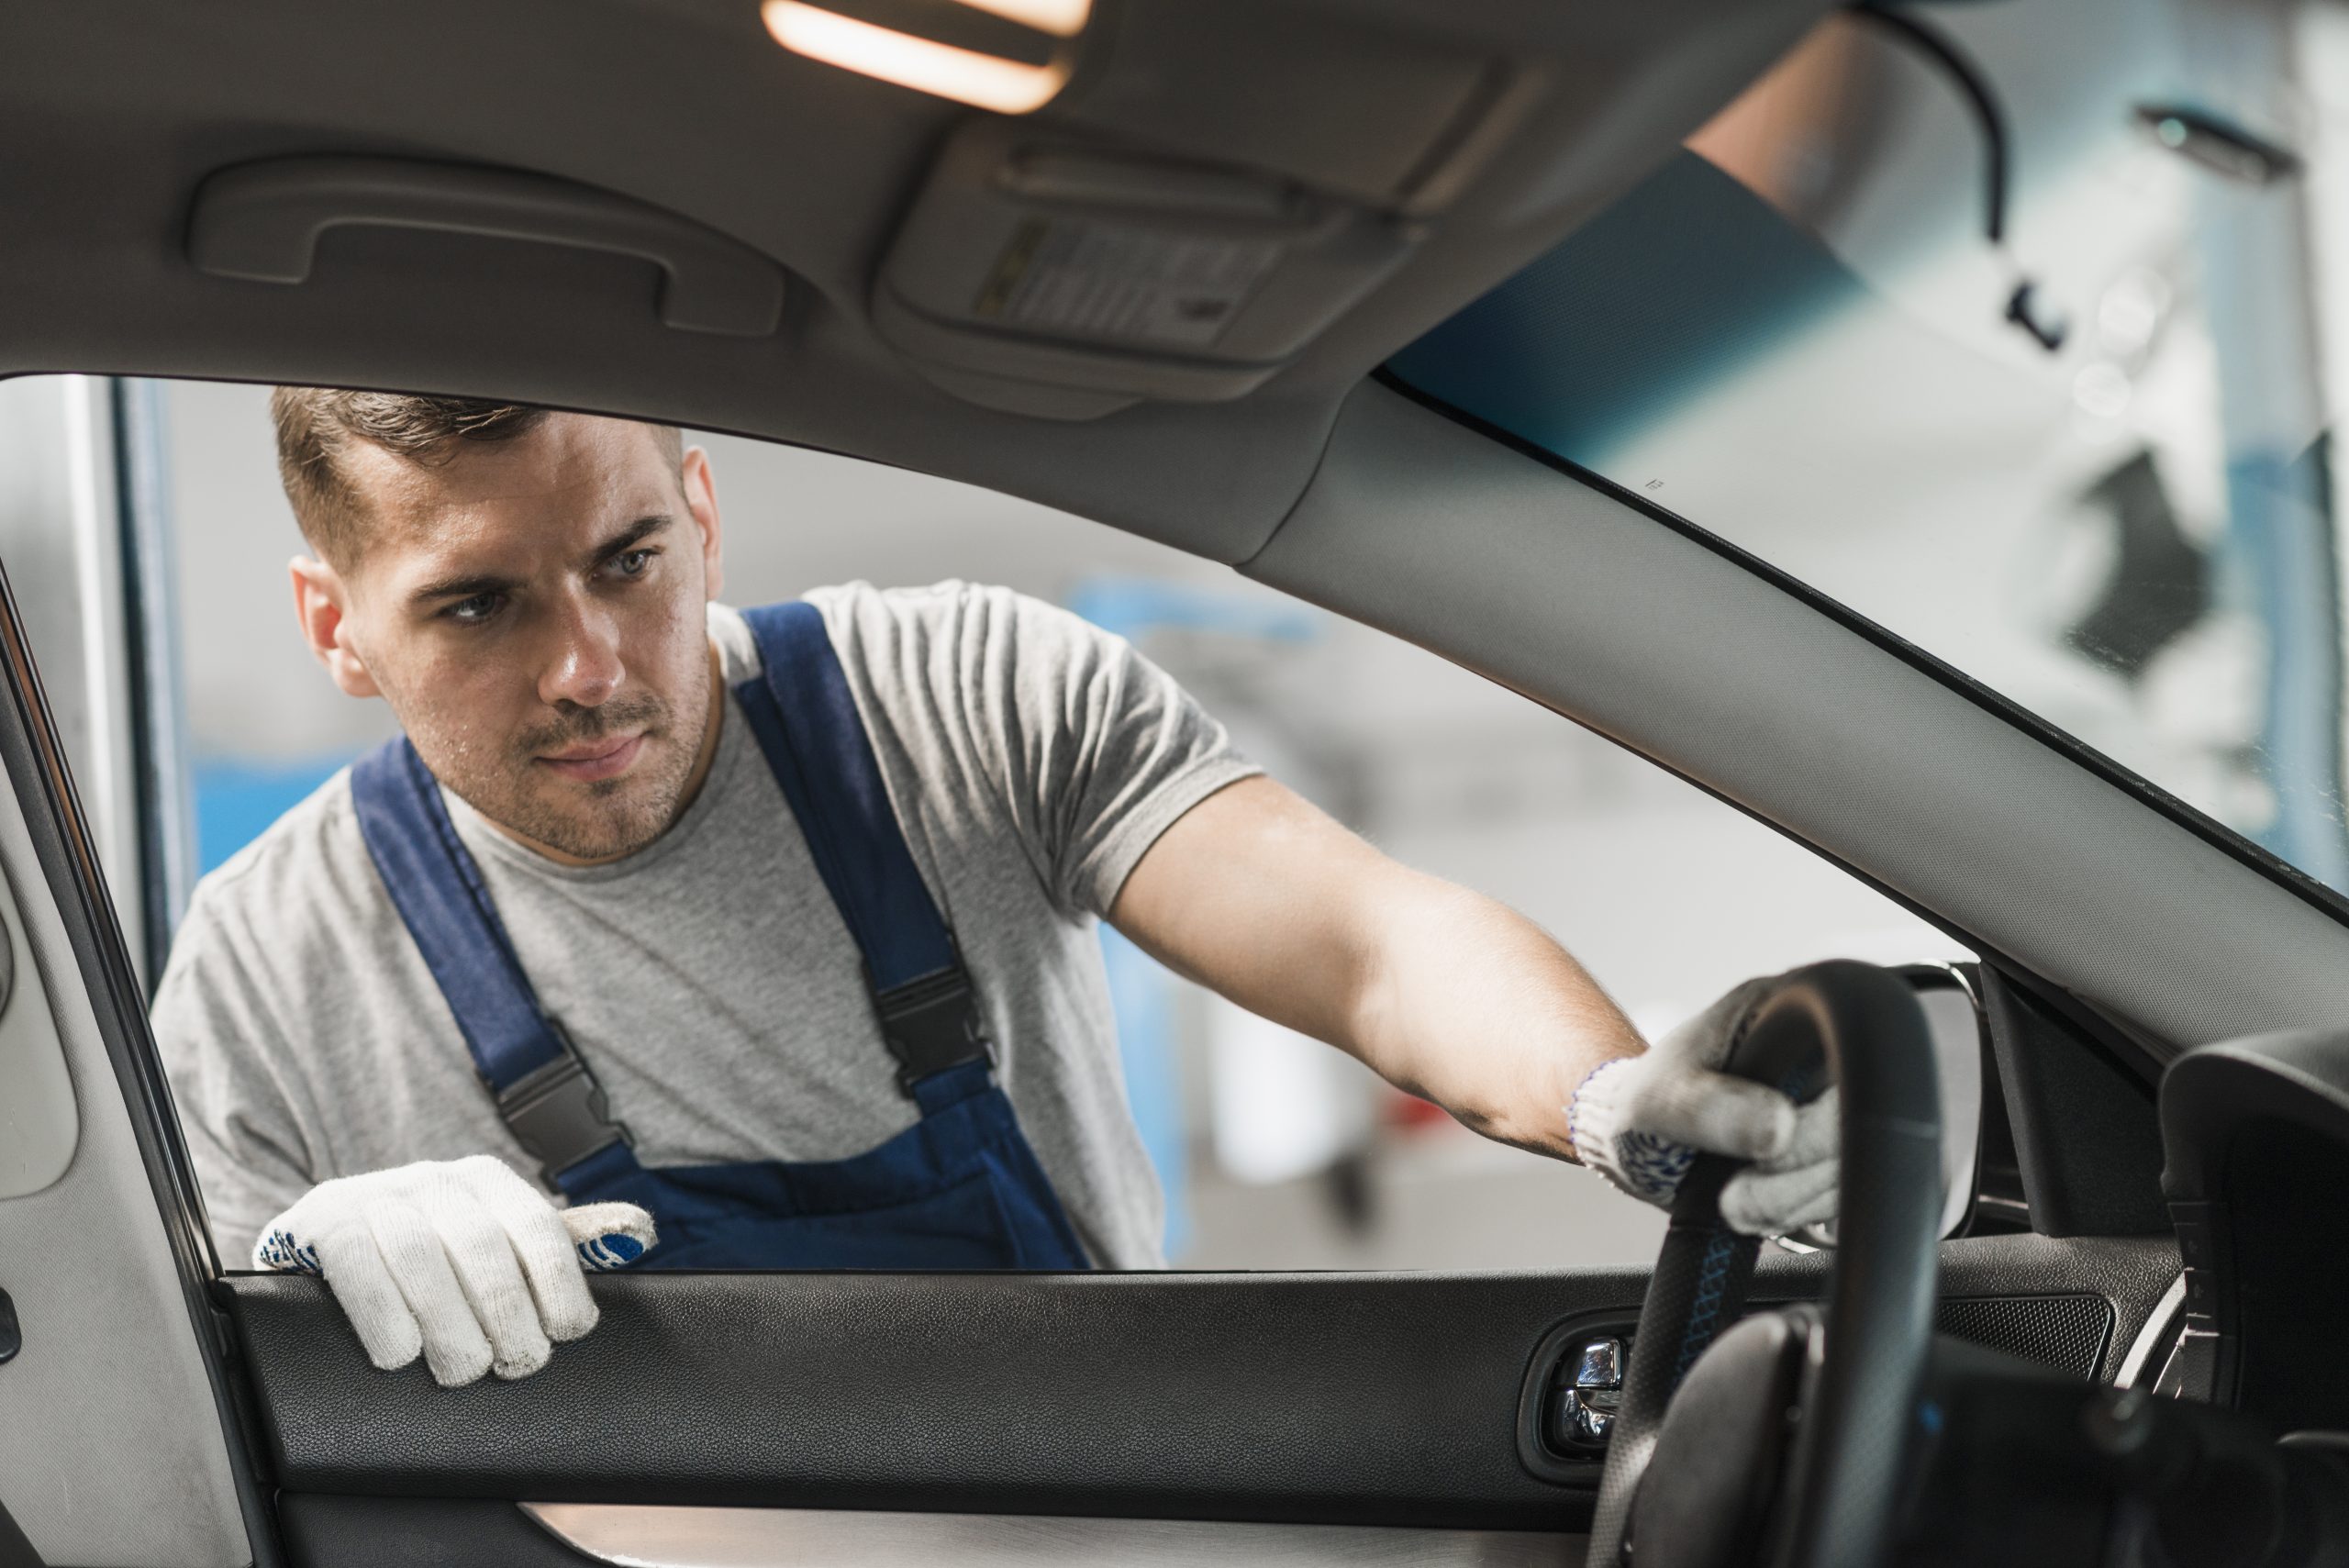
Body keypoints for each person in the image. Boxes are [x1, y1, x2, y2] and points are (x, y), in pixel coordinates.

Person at [153, 392, 1839, 1388]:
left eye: (628, 562)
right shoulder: (259, 974)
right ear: (337, 628)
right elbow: (176, 1418)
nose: (590, 667)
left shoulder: (961, 698)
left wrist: (1615, 1101)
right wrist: (288, 1274)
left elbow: (1369, 943)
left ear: (705, 516)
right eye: (477, 607)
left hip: (1094, 1530)